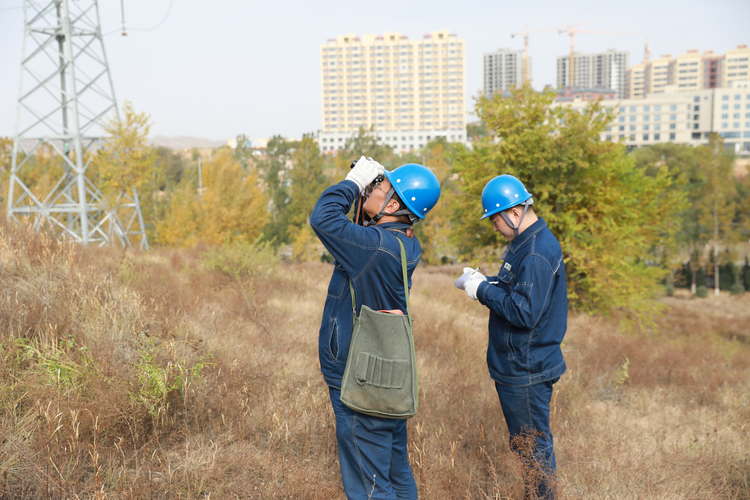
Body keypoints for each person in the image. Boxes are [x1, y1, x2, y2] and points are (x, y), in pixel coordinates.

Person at [310, 157, 441, 500]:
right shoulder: (401, 242)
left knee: (370, 485)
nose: (371, 187)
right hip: (389, 377)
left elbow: (322, 218)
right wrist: (368, 192)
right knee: (396, 473)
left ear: (393, 204)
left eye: (379, 186)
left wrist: (353, 183)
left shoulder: (374, 248)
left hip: (360, 376)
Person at [460, 174, 567, 499]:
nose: (494, 226)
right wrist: (486, 282)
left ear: (514, 213)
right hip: (520, 366)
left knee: (533, 450)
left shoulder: (534, 252)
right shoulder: (526, 244)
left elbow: (524, 312)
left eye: (495, 219)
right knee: (527, 446)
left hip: (526, 369)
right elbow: (518, 290)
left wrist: (481, 292)